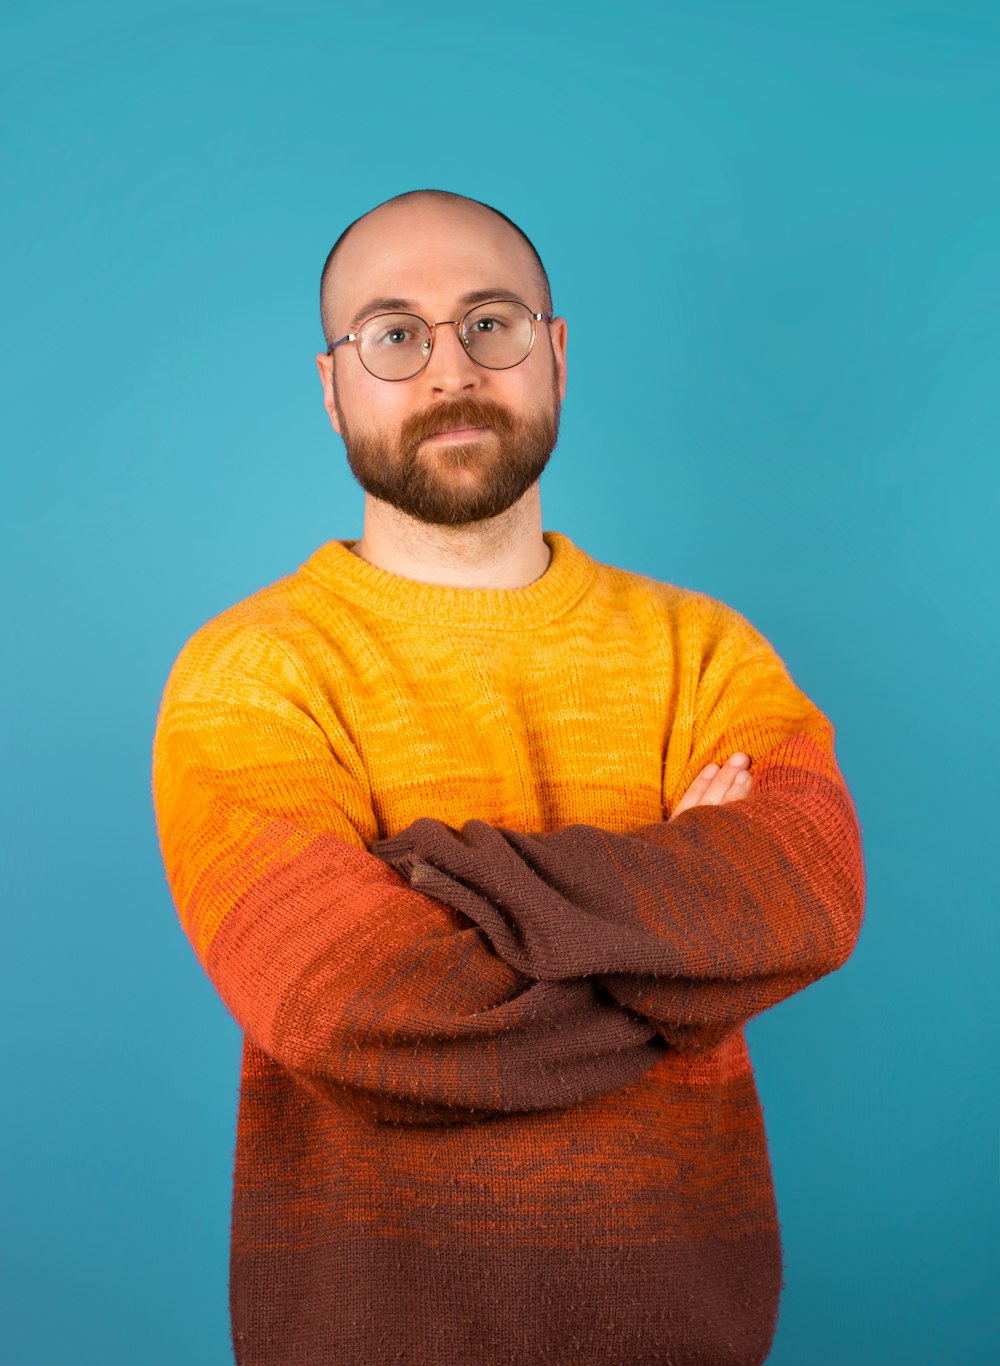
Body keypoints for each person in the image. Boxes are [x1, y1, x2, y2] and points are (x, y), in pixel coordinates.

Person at [150, 188, 866, 1366]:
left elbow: (811, 893)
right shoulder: (248, 675)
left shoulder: (707, 651)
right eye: (393, 334)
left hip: (691, 1338)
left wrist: (441, 878)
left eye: (492, 322)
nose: (450, 370)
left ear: (557, 355)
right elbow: (346, 1006)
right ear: (332, 389)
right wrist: (688, 938)